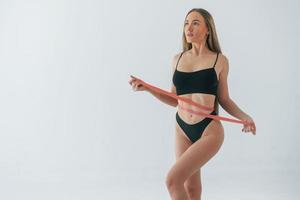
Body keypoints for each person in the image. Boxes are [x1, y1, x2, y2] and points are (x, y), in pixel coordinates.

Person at [129, 8, 256, 200]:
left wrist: (245, 117)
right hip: (182, 128)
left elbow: (224, 99)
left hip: (208, 130)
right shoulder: (177, 59)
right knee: (191, 188)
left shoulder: (219, 61)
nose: (189, 28)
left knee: (172, 180)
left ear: (208, 30)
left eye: (195, 23)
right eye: (186, 23)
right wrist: (147, 88)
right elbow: (174, 99)